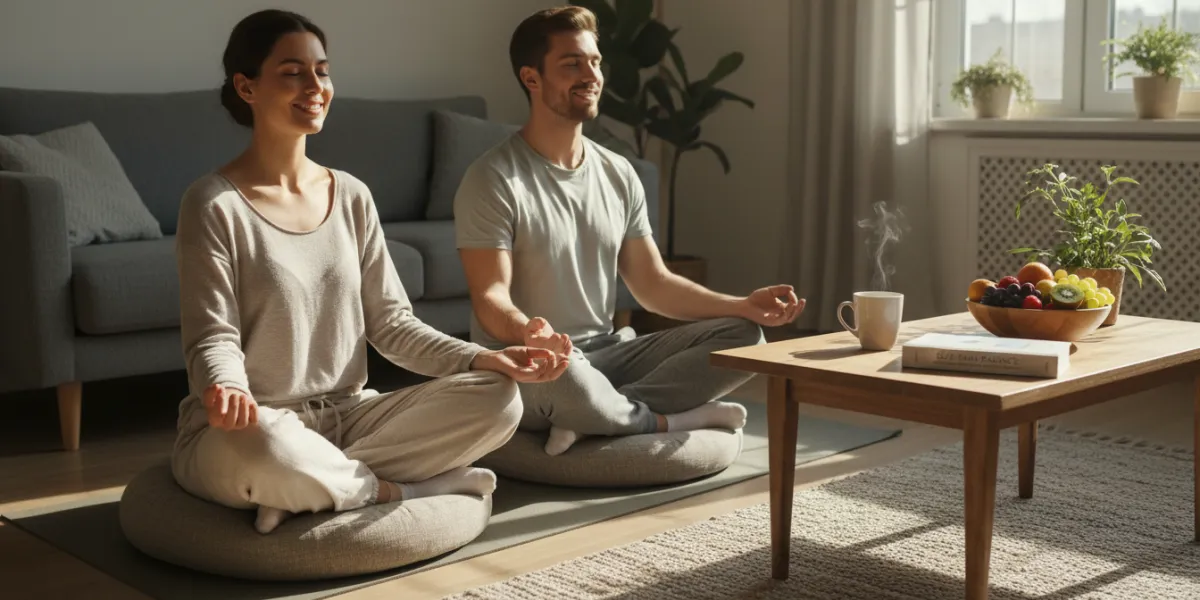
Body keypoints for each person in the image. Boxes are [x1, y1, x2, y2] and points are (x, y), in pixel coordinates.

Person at [171, 9, 568, 535]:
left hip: (352, 418)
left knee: (498, 397)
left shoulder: (352, 196)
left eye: (323, 71)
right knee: (271, 448)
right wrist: (225, 387)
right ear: (247, 87)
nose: (315, 86)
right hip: (254, 425)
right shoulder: (213, 203)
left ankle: (317, 486)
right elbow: (212, 335)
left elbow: (392, 326)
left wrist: (484, 357)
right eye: (293, 72)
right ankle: (400, 490)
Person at [453, 6, 804, 457]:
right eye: (572, 64)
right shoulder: (493, 178)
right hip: (533, 364)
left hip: (608, 355)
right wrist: (531, 332)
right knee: (571, 379)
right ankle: (667, 419)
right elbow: (490, 299)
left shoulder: (619, 173)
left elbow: (654, 285)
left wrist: (743, 305)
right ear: (531, 78)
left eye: (595, 62)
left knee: (744, 337)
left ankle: (597, 419)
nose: (591, 74)